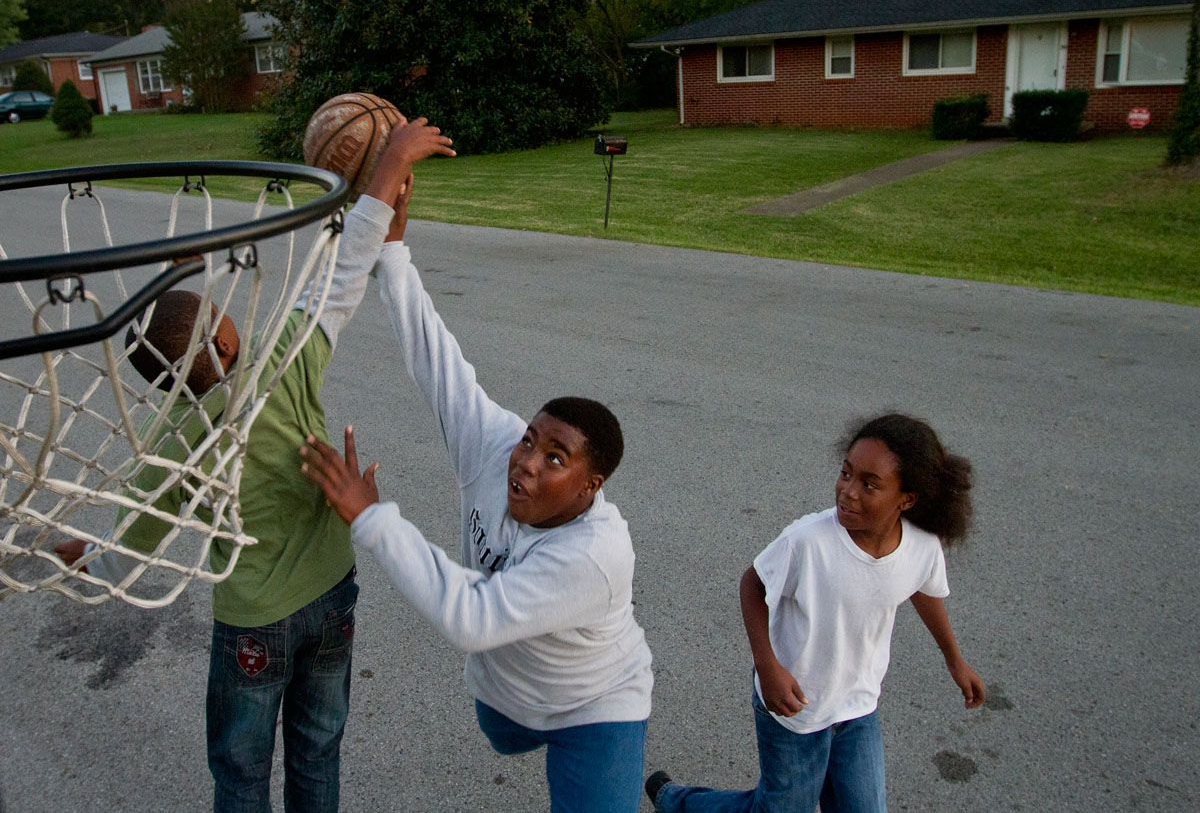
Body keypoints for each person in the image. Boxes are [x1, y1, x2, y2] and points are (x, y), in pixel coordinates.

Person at [53, 118, 456, 813]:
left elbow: (123, 559)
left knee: (241, 771)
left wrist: (75, 552)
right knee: (317, 747)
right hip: (332, 597)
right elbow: (351, 258)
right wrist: (389, 163)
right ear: (224, 332)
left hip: (251, 625)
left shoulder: (171, 441)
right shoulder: (281, 361)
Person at [297, 128, 654, 813]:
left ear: (590, 484)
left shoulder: (597, 554)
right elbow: (440, 366)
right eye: (530, 439)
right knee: (506, 730)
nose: (526, 460)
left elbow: (470, 617)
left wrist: (373, 519)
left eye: (556, 458)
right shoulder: (499, 450)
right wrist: (393, 254)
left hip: (594, 706)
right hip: (508, 701)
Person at [644, 413, 986, 813]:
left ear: (906, 499)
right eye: (846, 473)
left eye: (869, 484)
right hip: (794, 705)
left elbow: (922, 589)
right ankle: (677, 801)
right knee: (782, 809)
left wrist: (954, 660)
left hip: (858, 706)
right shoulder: (809, 541)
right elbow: (753, 586)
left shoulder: (922, 547)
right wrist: (768, 668)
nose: (848, 492)